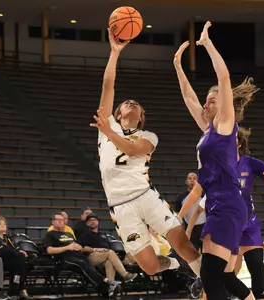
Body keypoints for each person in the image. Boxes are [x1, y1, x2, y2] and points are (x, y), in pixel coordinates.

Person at [89, 28, 202, 281]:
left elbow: (130, 149)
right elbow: (108, 85)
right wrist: (114, 52)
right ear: (117, 114)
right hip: (120, 206)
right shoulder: (109, 126)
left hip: (146, 196)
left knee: (183, 244)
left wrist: (108, 131)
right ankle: (174, 264)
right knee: (150, 267)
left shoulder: (148, 136)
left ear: (141, 118)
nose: (131, 103)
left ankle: (213, 285)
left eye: (136, 105)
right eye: (125, 103)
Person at [173, 21, 256, 300]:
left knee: (210, 275)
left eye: (211, 100)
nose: (206, 104)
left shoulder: (225, 124)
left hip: (228, 201)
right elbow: (188, 99)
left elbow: (224, 77)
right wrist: (178, 67)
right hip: (221, 202)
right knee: (221, 276)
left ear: (224, 104)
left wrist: (207, 44)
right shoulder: (209, 130)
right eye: (206, 101)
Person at [184, 128, 264, 300]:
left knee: (256, 266)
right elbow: (196, 194)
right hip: (227, 222)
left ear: (238, 143)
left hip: (248, 223)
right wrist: (181, 219)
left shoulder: (250, 163)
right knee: (225, 275)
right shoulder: (216, 164)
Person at [43, 212, 121, 297]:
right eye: (58, 220)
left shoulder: (68, 234)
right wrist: (67, 247)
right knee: (83, 265)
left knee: (88, 267)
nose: (61, 222)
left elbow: (78, 246)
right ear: (53, 222)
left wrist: (78, 247)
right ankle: (108, 282)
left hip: (78, 255)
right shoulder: (50, 234)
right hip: (65, 258)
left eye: (62, 220)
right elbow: (49, 250)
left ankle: (106, 290)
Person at [77, 214, 137, 282]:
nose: (92, 221)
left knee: (111, 261)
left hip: (107, 256)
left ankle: (111, 285)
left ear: (98, 222)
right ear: (87, 223)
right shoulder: (86, 234)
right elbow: (82, 248)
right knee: (110, 253)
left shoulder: (103, 234)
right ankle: (125, 275)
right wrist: (96, 249)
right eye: (90, 220)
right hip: (92, 256)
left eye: (94, 220)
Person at [0, 217, 32, 299]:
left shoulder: (6, 237)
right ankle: (20, 289)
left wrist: (19, 251)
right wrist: (17, 252)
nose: (3, 225)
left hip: (12, 261)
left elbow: (15, 247)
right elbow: (1, 251)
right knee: (20, 259)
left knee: (21, 260)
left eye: (4, 224)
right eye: (0, 224)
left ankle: (17, 288)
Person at [175, 172, 206, 251]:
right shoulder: (181, 197)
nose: (192, 180)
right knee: (192, 256)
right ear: (186, 182)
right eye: (190, 178)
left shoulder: (204, 196)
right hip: (190, 230)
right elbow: (178, 215)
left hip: (204, 229)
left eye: (194, 178)